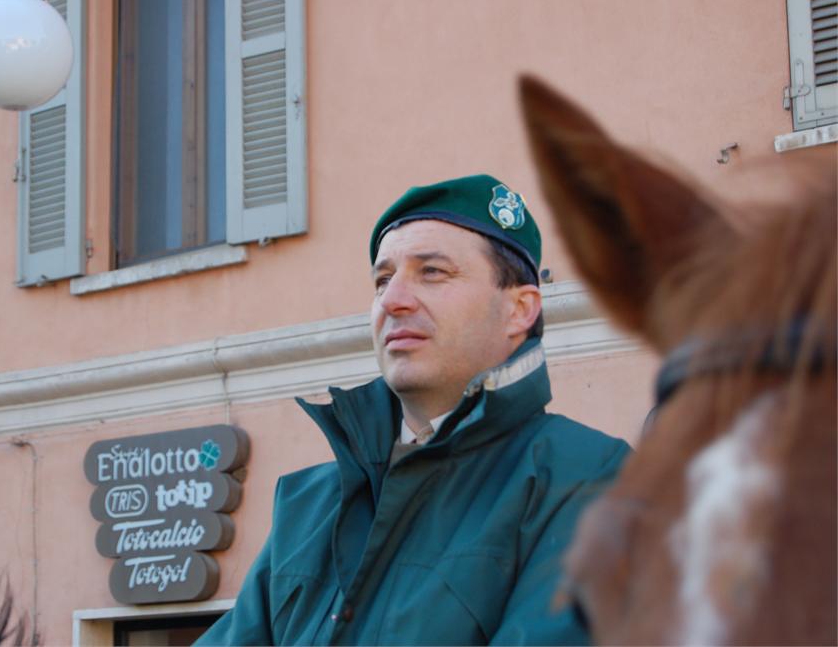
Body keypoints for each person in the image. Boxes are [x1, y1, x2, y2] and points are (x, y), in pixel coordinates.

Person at [197, 174, 631, 645]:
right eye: (383, 280)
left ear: (520, 309)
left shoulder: (589, 477)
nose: (393, 300)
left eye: (433, 272)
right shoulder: (308, 506)